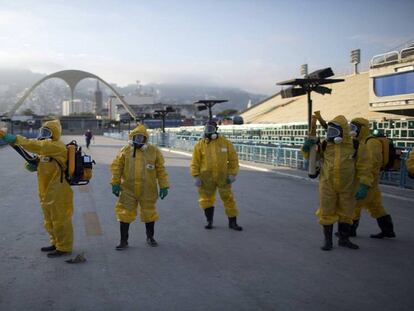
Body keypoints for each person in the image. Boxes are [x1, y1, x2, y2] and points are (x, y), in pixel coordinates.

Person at [0, 120, 74, 257]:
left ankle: (64, 247)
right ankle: (55, 243)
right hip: (46, 190)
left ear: (55, 133)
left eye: (47, 132)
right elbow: (41, 162)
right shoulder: (46, 151)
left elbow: (33, 145)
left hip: (59, 190)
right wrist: (35, 165)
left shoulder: (55, 145)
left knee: (60, 220)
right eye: (43, 132)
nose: (43, 135)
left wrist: (15, 139)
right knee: (49, 219)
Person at [302, 115, 372, 251]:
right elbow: (313, 158)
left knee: (347, 212)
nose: (330, 136)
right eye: (329, 132)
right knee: (326, 212)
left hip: (348, 186)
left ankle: (344, 239)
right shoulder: (325, 145)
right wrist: (306, 148)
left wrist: (364, 184)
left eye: (334, 132)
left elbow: (364, 166)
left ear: (343, 132)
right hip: (327, 185)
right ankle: (328, 241)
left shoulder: (356, 146)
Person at [111, 124, 169, 249]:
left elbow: (160, 170)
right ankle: (123, 241)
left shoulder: (153, 151)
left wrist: (164, 186)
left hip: (147, 189)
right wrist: (115, 183)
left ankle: (150, 237)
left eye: (141, 138)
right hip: (128, 189)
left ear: (145, 139)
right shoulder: (125, 150)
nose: (138, 140)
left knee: (149, 213)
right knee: (124, 213)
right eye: (136, 137)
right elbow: (117, 167)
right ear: (132, 137)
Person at [190, 121, 242, 231]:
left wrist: (232, 174)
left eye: (211, 128)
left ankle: (233, 222)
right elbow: (195, 162)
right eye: (207, 128)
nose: (209, 131)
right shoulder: (200, 145)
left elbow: (233, 160)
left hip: (223, 177)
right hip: (206, 178)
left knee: (228, 199)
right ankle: (209, 221)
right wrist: (196, 176)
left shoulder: (225, 143)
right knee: (206, 199)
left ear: (216, 129)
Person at [348, 118, 396, 239]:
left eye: (354, 128)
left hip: (367, 180)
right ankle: (388, 230)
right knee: (375, 205)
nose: (352, 131)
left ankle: (350, 230)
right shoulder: (361, 141)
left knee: (355, 205)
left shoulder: (370, 143)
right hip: (370, 181)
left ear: (362, 129)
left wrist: (364, 183)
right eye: (351, 128)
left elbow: (371, 164)